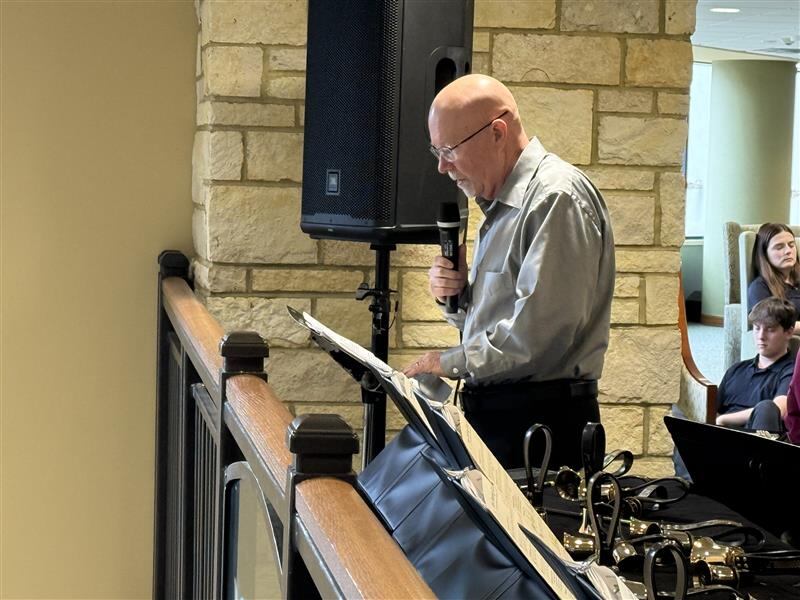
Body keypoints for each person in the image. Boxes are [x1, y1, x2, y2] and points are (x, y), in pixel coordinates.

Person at [403, 74, 615, 470]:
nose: (441, 166)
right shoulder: (501, 205)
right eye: (436, 150)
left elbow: (536, 337)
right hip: (506, 420)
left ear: (497, 131)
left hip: (541, 427)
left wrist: (448, 361)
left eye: (448, 149)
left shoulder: (555, 199)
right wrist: (458, 298)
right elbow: (503, 322)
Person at [714, 297, 795, 430]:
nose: (761, 336)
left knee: (767, 408)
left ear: (789, 332)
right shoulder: (736, 370)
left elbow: (780, 409)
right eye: (757, 328)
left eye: (770, 329)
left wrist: (723, 419)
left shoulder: (792, 371)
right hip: (724, 441)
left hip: (760, 440)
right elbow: (711, 409)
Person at [747, 223, 800, 319]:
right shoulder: (759, 287)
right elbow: (767, 322)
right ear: (765, 254)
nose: (788, 251)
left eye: (791, 245)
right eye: (779, 247)